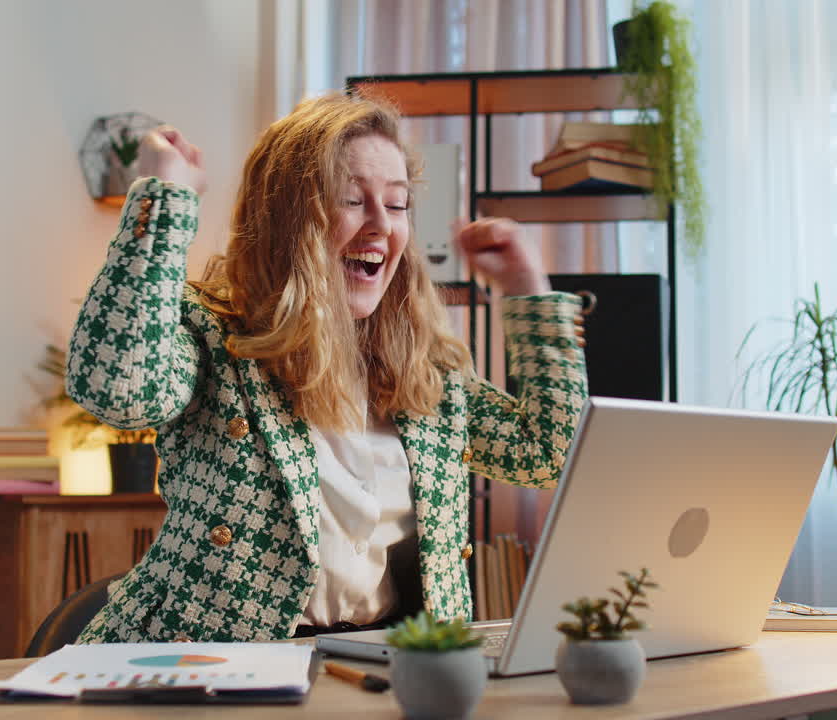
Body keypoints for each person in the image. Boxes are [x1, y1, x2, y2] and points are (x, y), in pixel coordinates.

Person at [67, 92, 588, 643]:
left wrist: (529, 292)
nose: (381, 228)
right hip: (212, 672)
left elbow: (550, 454)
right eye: (351, 199)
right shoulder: (215, 334)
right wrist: (166, 199)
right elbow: (117, 388)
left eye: (397, 204)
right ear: (285, 219)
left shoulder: (424, 367)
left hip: (390, 665)